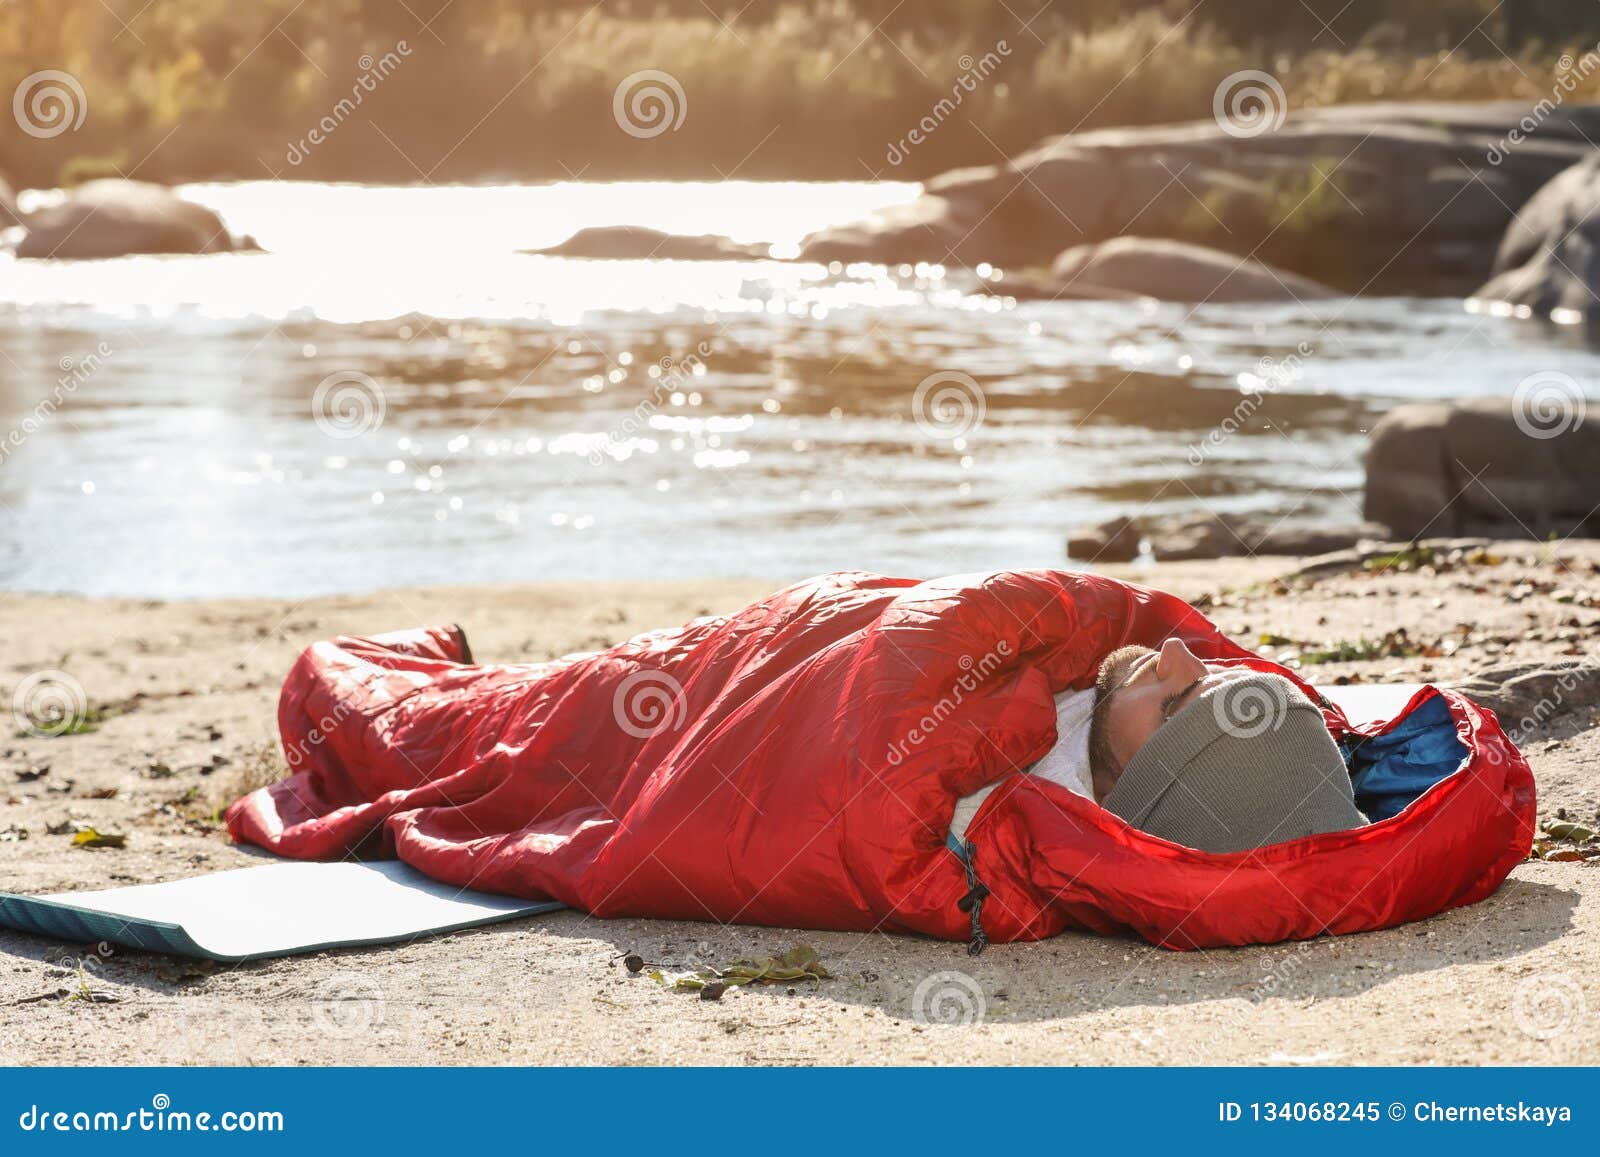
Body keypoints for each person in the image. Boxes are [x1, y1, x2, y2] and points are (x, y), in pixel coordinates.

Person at [950, 636, 1369, 852]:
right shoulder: (1106, 688)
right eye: (1207, 671)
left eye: (1171, 706)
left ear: (1121, 796)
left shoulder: (968, 790)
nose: (1174, 649)